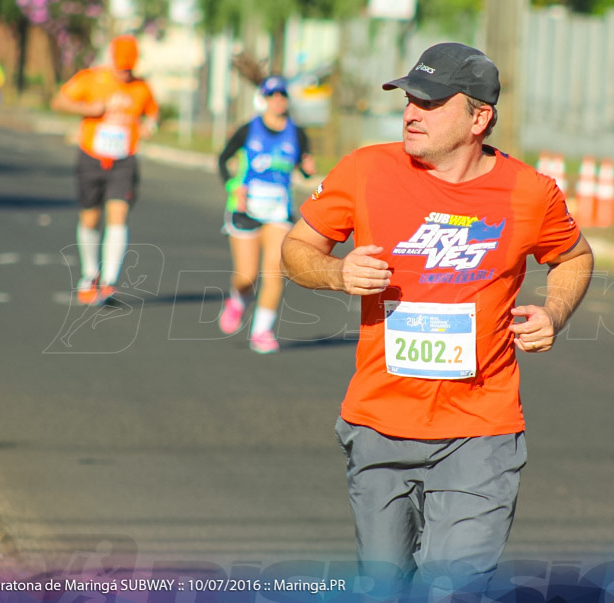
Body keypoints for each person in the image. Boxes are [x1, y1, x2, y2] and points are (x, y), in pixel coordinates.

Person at [280, 42, 593, 598]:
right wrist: (337, 273)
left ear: (479, 117)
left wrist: (554, 311)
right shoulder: (366, 170)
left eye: (429, 102)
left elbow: (573, 256)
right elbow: (297, 248)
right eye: (408, 99)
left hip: (481, 428)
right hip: (379, 420)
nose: (410, 113)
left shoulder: (529, 192)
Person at [51, 34, 159, 306]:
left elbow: (152, 113)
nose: (124, 71)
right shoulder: (91, 79)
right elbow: (58, 102)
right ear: (112, 59)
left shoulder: (141, 88)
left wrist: (149, 126)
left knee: (118, 213)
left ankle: (110, 281)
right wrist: (88, 108)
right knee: (90, 218)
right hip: (91, 157)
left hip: (124, 160)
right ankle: (90, 275)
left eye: (128, 66)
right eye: (120, 66)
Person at [215, 75, 315, 353]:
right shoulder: (249, 129)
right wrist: (234, 188)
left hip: (278, 211)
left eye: (282, 95)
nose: (278, 100)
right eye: (273, 96)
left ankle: (262, 330)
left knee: (274, 271)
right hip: (246, 209)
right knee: (246, 276)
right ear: (265, 99)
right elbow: (223, 159)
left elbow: (305, 167)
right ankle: (238, 298)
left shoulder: (297, 133)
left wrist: (308, 167)